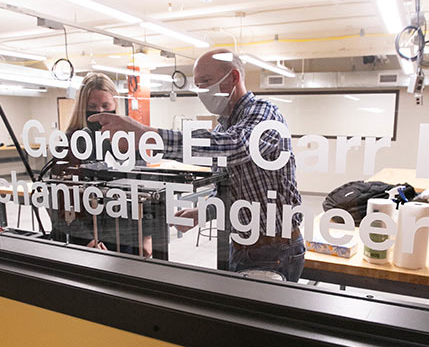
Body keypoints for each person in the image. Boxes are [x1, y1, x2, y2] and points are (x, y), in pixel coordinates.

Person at [88, 49, 305, 281]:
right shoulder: (224, 127)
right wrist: (201, 212)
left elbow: (235, 147)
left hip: (274, 249)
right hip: (242, 246)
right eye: (198, 84)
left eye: (207, 82)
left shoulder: (264, 114)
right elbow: (233, 192)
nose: (202, 90)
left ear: (233, 78)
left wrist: (149, 135)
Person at [50, 72, 153, 257]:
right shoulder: (69, 144)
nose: (99, 112)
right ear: (82, 108)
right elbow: (58, 201)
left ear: (115, 106)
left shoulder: (127, 141)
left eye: (106, 106)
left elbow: (143, 188)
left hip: (126, 236)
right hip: (85, 240)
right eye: (92, 106)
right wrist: (86, 239)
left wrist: (146, 237)